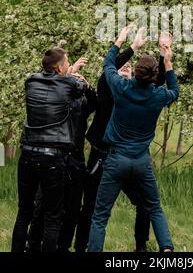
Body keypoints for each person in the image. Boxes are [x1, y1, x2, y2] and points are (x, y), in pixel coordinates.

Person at [75, 30, 170, 253]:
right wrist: (132, 49)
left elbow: (159, 79)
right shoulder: (110, 89)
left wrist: (164, 54)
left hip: (129, 156)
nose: (126, 67)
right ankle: (81, 247)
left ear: (136, 75)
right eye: (123, 66)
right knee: (91, 205)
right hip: (102, 155)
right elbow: (108, 67)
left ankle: (141, 245)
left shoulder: (137, 91)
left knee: (145, 204)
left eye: (130, 66)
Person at [11, 48, 89, 252]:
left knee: (24, 212)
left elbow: (61, 83)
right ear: (60, 67)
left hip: (27, 153)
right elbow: (81, 87)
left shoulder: (31, 81)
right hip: (52, 157)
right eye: (67, 62)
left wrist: (66, 72)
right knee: (53, 217)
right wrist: (71, 74)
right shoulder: (70, 83)